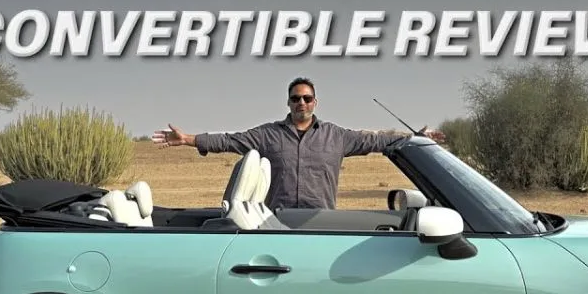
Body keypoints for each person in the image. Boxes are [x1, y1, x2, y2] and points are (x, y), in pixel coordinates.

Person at [152, 77, 445, 209]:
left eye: (307, 98)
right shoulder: (268, 135)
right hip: (277, 221)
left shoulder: (337, 136)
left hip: (321, 222)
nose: (301, 102)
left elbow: (376, 140)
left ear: (315, 102)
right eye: (296, 98)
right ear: (288, 102)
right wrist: (189, 139)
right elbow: (230, 140)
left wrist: (413, 137)